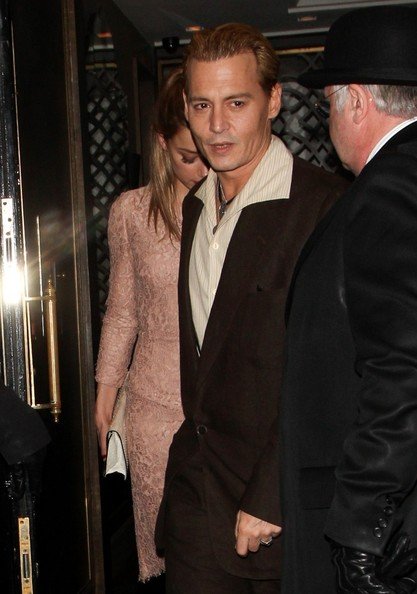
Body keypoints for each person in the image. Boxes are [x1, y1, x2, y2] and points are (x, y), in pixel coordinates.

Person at [155, 23, 348, 593]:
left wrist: (271, 492)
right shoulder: (196, 206)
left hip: (278, 504)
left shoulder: (322, 205)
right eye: (202, 105)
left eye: (236, 103)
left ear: (274, 100)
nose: (216, 125)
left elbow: (329, 370)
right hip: (197, 495)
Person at [280, 6, 417, 593]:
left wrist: (361, 534)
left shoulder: (388, 192)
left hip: (382, 533)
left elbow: (403, 369)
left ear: (356, 102)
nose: (327, 119)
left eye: (330, 102)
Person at [94, 68, 208, 582]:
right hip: (155, 412)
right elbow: (123, 310)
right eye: (188, 156)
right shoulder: (132, 213)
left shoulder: (241, 205)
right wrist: (105, 393)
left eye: (208, 154)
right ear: (162, 143)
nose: (203, 169)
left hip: (226, 410)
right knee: (175, 561)